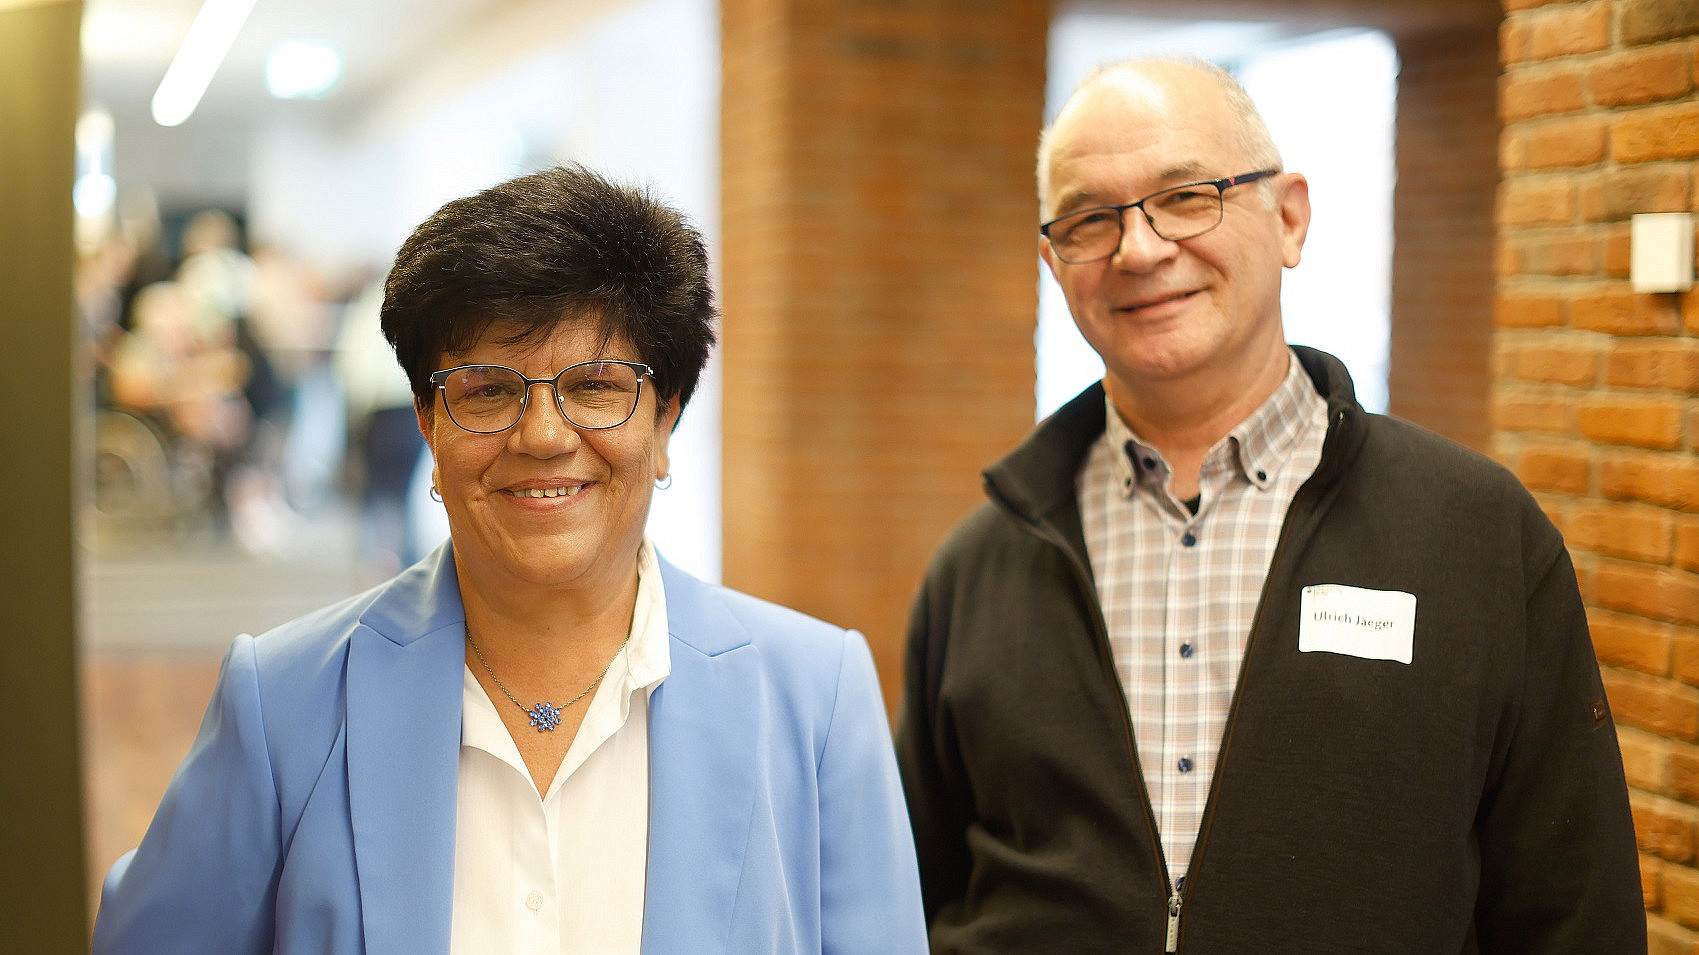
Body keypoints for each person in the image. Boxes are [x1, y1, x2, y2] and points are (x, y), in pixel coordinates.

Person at [895, 58, 1644, 953]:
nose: (1139, 249)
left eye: (1185, 196)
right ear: (1055, 264)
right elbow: (909, 895)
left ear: (1287, 218)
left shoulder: (1475, 537)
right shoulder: (978, 565)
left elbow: (1572, 909)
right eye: (1092, 218)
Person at [94, 164, 928, 953]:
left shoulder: (815, 700)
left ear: (665, 421)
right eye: (488, 389)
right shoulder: (286, 704)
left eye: (597, 385)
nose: (542, 435)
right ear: (427, 422)